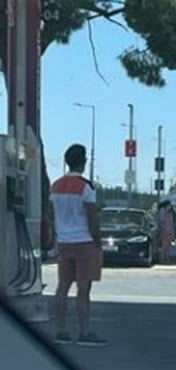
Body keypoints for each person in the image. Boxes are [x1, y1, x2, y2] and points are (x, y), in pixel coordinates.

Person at [46, 144, 107, 346]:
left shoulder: (55, 186)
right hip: (84, 242)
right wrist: (97, 240)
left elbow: (51, 215)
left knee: (62, 286)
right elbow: (92, 218)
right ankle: (84, 332)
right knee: (83, 288)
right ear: (83, 162)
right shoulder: (86, 187)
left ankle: (61, 331)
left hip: (64, 241)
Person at [157, 200, 175, 264]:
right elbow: (161, 222)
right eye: (169, 205)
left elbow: (171, 224)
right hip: (164, 233)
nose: (170, 207)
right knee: (163, 247)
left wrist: (172, 234)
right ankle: (162, 260)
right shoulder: (162, 211)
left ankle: (167, 260)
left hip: (169, 232)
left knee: (168, 247)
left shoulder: (170, 213)